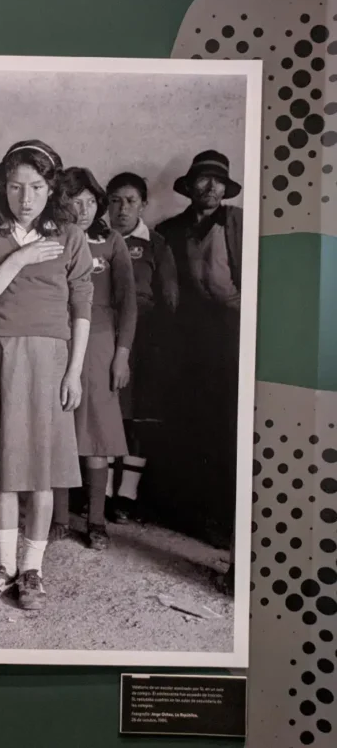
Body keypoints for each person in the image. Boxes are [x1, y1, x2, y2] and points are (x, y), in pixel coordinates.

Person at [0, 139, 93, 611]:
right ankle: (4, 568)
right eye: (16, 186)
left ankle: (32, 571)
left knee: (41, 472)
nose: (26, 197)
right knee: (4, 470)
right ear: (3, 187)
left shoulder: (70, 236)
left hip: (49, 359)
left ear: (51, 188)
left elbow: (82, 308)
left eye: (36, 186)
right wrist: (19, 257)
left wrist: (74, 372)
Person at [155, 150, 244, 594]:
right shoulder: (170, 231)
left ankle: (226, 520)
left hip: (234, 333)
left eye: (218, 181)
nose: (210, 187)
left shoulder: (239, 223)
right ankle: (195, 516)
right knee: (192, 422)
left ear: (225, 189)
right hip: (190, 339)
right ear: (189, 187)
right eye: (203, 180)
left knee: (230, 424)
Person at [50, 168, 137, 550]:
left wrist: (122, 355)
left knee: (97, 435)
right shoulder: (50, 238)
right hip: (59, 341)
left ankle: (96, 521)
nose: (84, 210)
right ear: (61, 202)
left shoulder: (111, 241)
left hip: (100, 346)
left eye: (90, 202)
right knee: (60, 428)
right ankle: (58, 518)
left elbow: (128, 304)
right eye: (75, 202)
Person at [105, 172, 178, 524]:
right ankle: (101, 493)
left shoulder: (156, 245)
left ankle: (127, 495)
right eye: (115, 201)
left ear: (143, 205)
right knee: (105, 413)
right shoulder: (96, 240)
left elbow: (170, 299)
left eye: (131, 201)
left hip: (145, 340)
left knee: (138, 417)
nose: (122, 209)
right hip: (104, 335)